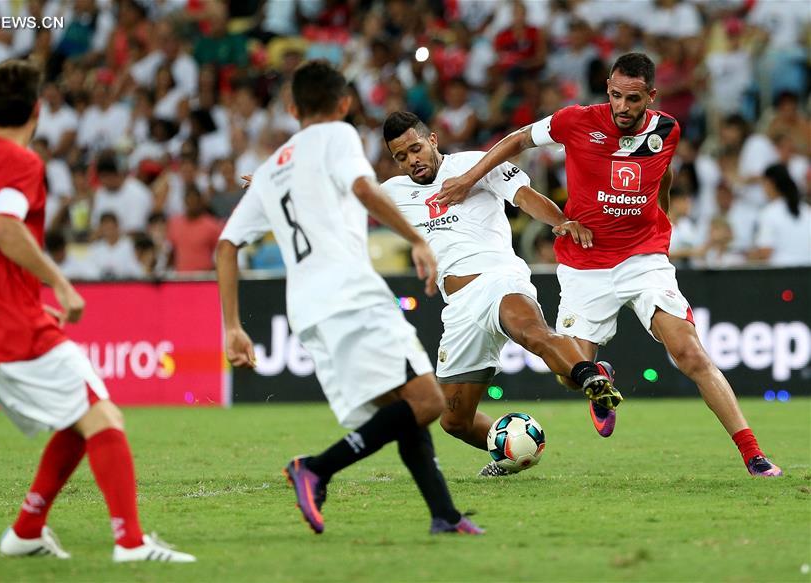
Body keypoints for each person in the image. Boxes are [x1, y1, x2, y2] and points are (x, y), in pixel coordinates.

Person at [437, 53, 782, 478]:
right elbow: (516, 140)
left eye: (633, 99)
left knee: (689, 353)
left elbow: (663, 175)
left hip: (643, 258)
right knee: (570, 375)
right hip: (584, 267)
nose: (622, 106)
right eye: (616, 95)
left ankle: (753, 454)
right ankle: (599, 375)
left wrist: (665, 220)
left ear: (651, 97)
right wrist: (469, 179)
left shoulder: (667, 129)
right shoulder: (575, 121)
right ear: (607, 89)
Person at [0, 59, 196, 562]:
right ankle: (131, 543)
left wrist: (15, 301)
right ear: (36, 110)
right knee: (103, 415)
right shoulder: (19, 161)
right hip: (5, 325)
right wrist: (60, 285)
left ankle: (27, 530)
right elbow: (2, 226)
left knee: (79, 416)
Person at [216, 60, 483, 535]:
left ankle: (444, 514)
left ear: (292, 107)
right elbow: (363, 189)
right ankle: (316, 468)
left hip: (309, 309)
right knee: (425, 402)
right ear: (343, 105)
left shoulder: (272, 167)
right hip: (350, 295)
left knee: (400, 407)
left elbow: (226, 245)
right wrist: (417, 239)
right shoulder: (340, 137)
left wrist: (232, 326)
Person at [379, 111, 623, 477]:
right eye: (401, 156)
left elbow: (523, 196)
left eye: (415, 149)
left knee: (533, 334)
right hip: (458, 306)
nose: (412, 160)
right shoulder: (392, 193)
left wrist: (560, 222)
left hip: (499, 279)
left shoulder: (475, 164)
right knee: (454, 421)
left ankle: (591, 376)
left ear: (432, 141)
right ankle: (510, 449)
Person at [748, 164, 811, 267]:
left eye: (763, 183)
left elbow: (765, 252)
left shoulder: (769, 213)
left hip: (782, 275)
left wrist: (747, 257)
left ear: (770, 183)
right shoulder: (807, 211)